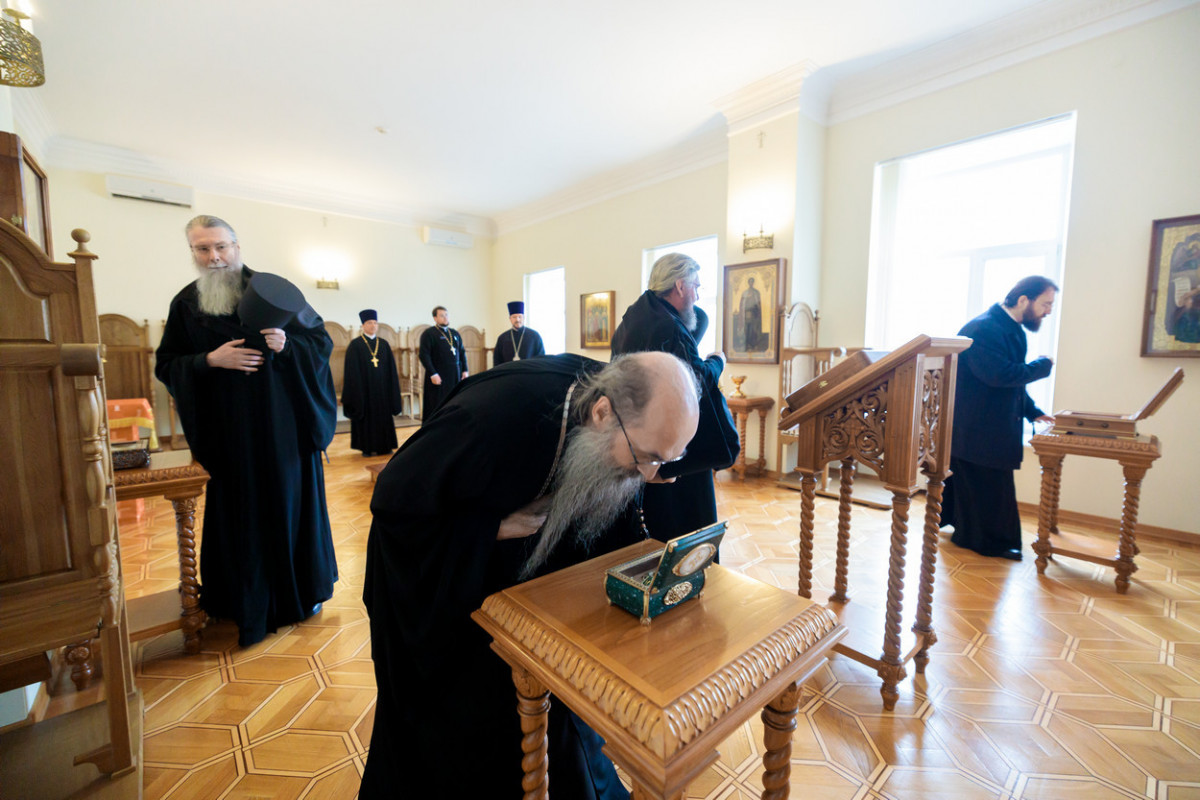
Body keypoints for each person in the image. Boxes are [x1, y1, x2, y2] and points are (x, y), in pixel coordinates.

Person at [360, 351, 700, 799]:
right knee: (471, 729)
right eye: (648, 456)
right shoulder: (487, 422)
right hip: (439, 588)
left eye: (666, 460)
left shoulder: (612, 399)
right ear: (602, 414)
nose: (649, 473)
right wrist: (489, 528)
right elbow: (393, 502)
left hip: (515, 584)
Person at [155, 214, 338, 646]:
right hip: (229, 435)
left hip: (284, 431)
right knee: (241, 513)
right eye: (203, 249)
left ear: (236, 246)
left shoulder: (273, 292)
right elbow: (167, 364)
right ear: (193, 253)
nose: (214, 257)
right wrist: (209, 360)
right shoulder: (186, 304)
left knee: (290, 504)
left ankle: (300, 596)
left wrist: (288, 345)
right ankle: (239, 600)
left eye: (221, 246)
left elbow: (320, 343)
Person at [610, 253, 739, 543]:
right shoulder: (668, 326)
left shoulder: (634, 317)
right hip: (673, 441)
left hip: (640, 440)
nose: (697, 294)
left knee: (656, 519)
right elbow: (694, 380)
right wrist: (717, 361)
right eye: (695, 286)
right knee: (687, 524)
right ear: (679, 286)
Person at [942, 275, 1058, 561]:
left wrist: (1033, 411)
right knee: (986, 488)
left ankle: (982, 538)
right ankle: (985, 543)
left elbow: (1012, 383)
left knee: (990, 488)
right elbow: (999, 375)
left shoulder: (1010, 328)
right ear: (1024, 300)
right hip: (975, 427)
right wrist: (1042, 366)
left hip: (988, 426)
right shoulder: (984, 329)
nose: (1048, 311)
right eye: (1045, 304)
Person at [342, 309, 403, 456]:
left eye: (375, 323)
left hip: (382, 390)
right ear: (363, 325)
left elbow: (391, 370)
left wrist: (392, 389)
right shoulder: (355, 345)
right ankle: (366, 448)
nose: (373, 325)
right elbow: (351, 372)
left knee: (383, 417)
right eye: (369, 323)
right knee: (366, 418)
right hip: (364, 391)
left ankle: (385, 446)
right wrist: (357, 391)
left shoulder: (384, 344)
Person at [418, 305, 468, 422]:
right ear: (435, 318)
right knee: (437, 405)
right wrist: (433, 373)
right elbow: (424, 355)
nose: (445, 318)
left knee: (454, 401)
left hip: (455, 376)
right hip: (439, 376)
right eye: (442, 316)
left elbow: (462, 352)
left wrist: (465, 370)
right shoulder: (429, 334)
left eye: (446, 315)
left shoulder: (454, 333)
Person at [492, 300, 546, 365]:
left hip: (529, 370)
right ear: (510, 319)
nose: (517, 320)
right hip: (509, 371)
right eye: (514, 317)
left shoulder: (535, 336)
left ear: (524, 318)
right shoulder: (502, 338)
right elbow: (497, 360)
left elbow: (541, 358)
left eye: (520, 317)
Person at [740, 276, 763, 352]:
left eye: (752, 282)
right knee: (747, 329)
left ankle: (754, 345)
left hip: (754, 314)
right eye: (750, 282)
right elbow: (742, 304)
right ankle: (747, 345)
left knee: (754, 329)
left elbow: (758, 304)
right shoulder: (745, 293)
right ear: (748, 283)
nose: (751, 283)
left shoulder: (756, 292)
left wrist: (757, 310)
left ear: (753, 283)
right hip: (747, 314)